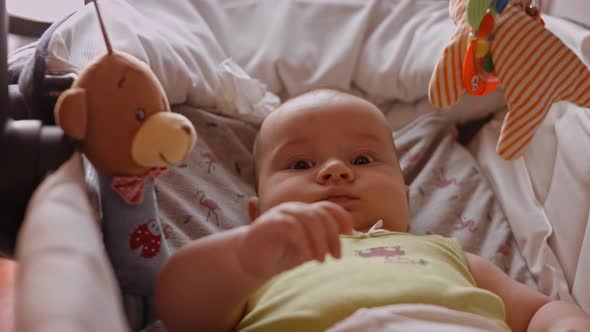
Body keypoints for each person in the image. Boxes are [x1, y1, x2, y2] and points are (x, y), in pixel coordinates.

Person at [155, 89, 590, 332]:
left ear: (405, 194)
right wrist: (245, 256)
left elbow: (536, 311)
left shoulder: (449, 255)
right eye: (301, 164)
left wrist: (564, 325)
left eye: (362, 160)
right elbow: (180, 312)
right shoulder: (257, 262)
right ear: (258, 211)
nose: (335, 172)